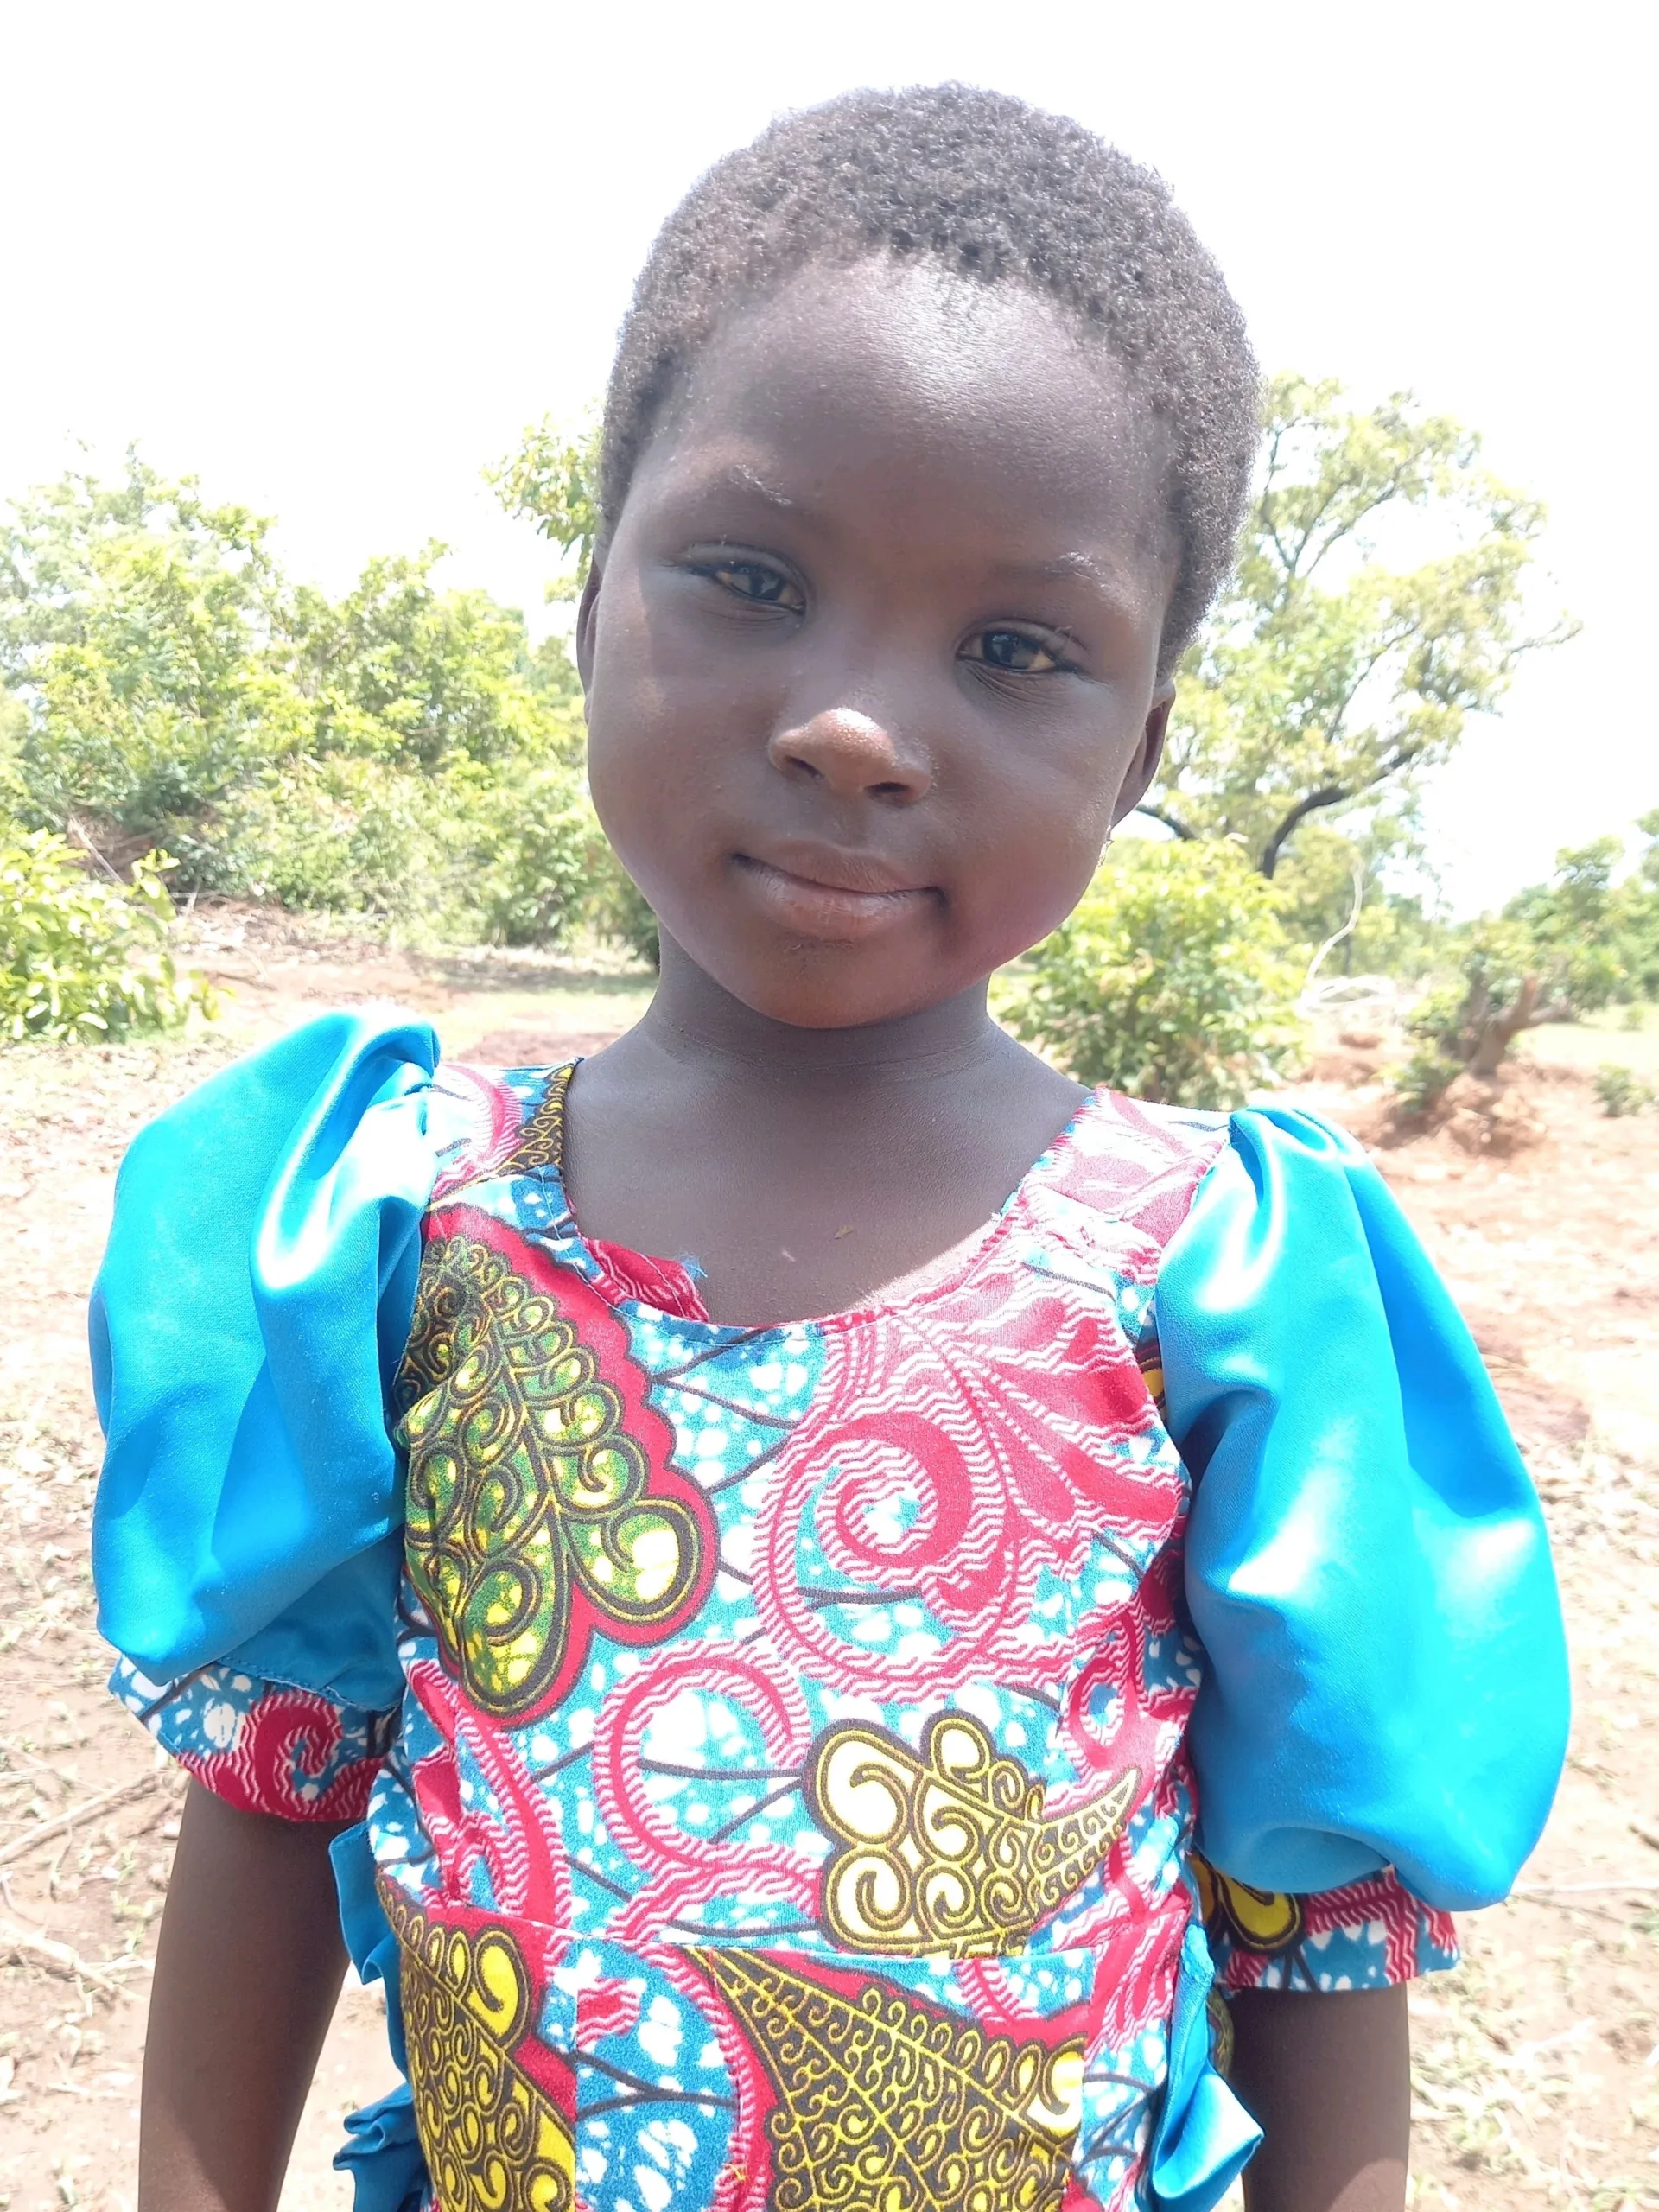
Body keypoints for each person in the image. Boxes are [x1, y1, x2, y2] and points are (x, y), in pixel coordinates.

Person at [89, 84, 1568, 2212]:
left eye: (1016, 648)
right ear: (590, 604)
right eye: (753, 576)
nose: (856, 726)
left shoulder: (1215, 1270)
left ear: (1139, 747)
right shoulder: (398, 1217)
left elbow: (1312, 1922)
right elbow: (278, 1787)